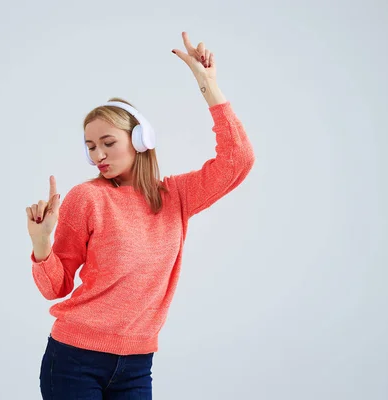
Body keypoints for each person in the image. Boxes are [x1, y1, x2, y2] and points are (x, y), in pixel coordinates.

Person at [26, 31, 255, 399]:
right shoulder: (87, 198)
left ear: (140, 140)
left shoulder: (176, 196)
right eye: (90, 147)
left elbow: (238, 161)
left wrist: (208, 86)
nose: (98, 154)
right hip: (73, 361)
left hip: (136, 364)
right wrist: (41, 246)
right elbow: (56, 287)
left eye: (108, 142)